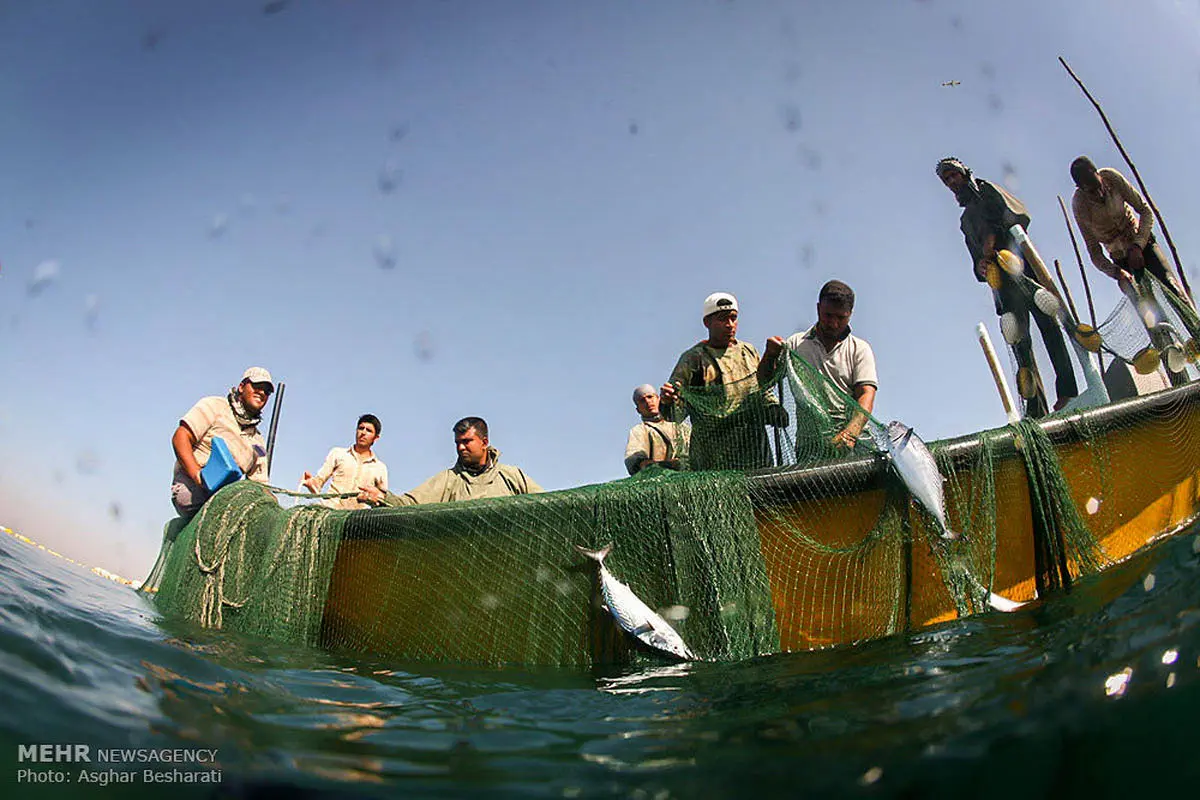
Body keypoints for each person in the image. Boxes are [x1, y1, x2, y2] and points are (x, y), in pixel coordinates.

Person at [936, 156, 1078, 417]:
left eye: (954, 176)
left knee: (1050, 327)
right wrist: (980, 264)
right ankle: (1036, 408)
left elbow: (1016, 217)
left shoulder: (988, 190)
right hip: (1003, 288)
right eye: (947, 180)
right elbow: (975, 256)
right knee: (1020, 345)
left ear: (964, 173)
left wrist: (994, 238)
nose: (952, 182)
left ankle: (1068, 391)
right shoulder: (965, 221)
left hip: (1024, 270)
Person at [1070, 156, 1195, 384]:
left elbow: (1145, 211)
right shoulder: (1080, 206)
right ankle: (1178, 377)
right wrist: (1116, 272)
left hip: (1141, 241)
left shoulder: (1112, 178)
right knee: (1152, 317)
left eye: (1097, 186)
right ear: (1080, 188)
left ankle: (1196, 334)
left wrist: (1138, 244)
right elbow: (1094, 253)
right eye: (1090, 191)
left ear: (1098, 173)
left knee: (1172, 287)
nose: (1097, 194)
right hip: (1120, 260)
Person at [660, 292, 786, 471]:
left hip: (755, 452)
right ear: (707, 322)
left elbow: (761, 388)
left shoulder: (748, 352)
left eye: (733, 318)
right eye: (722, 319)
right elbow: (673, 413)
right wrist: (667, 401)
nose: (729, 325)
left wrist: (772, 407)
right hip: (712, 459)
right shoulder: (694, 359)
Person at [761, 280, 877, 451]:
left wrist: (850, 433)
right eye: (828, 315)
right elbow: (765, 382)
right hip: (810, 447)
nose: (833, 323)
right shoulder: (795, 344)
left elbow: (866, 394)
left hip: (855, 446)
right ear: (818, 309)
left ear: (850, 314)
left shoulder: (859, 349)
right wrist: (769, 355)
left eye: (841, 317)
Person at [359, 416, 542, 507]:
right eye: (458, 443)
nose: (461, 448)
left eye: (467, 442)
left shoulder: (511, 477)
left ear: (484, 442)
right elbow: (410, 504)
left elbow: (549, 507)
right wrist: (383, 498)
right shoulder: (448, 480)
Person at [170, 366, 274, 518]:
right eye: (257, 386)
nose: (262, 393)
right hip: (192, 487)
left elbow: (260, 485)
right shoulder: (214, 406)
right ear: (241, 387)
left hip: (226, 499)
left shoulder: (259, 443)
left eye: (267, 391)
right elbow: (180, 437)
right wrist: (197, 474)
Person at [301, 414, 389, 509]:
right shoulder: (337, 453)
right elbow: (318, 483)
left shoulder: (380, 468)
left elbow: (381, 500)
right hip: (330, 513)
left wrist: (374, 499)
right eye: (361, 428)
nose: (363, 432)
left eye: (369, 430)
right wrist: (311, 483)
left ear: (376, 438)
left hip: (356, 520)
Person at [624, 384, 690, 475]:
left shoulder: (681, 427)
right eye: (642, 400)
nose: (648, 402)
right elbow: (634, 460)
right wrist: (665, 465)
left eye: (650, 397)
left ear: (658, 399)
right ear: (638, 410)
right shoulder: (639, 430)